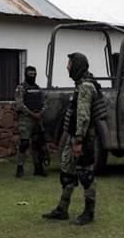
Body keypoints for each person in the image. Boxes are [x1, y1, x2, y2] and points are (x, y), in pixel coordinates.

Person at [43, 53, 98, 226]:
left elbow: (83, 116)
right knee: (67, 171)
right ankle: (62, 209)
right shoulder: (81, 85)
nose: (67, 67)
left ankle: (89, 212)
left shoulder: (85, 87)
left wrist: (79, 141)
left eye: (69, 63)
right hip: (74, 137)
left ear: (77, 66)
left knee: (85, 173)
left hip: (82, 138)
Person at [14, 66, 47, 178]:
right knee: (24, 143)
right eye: (30, 74)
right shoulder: (21, 88)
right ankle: (20, 167)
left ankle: (38, 167)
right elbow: (19, 104)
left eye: (34, 74)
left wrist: (41, 112)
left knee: (38, 144)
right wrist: (32, 114)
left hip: (37, 119)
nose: (32, 76)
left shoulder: (38, 88)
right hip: (26, 119)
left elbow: (44, 102)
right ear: (25, 74)